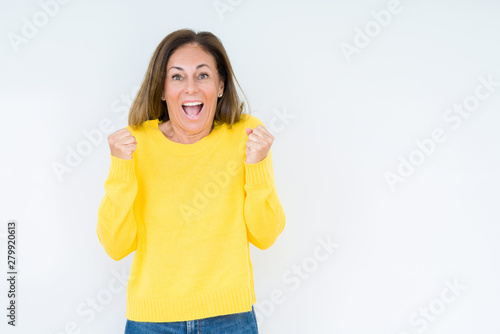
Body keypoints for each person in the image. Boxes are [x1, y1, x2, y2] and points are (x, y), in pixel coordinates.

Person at [96, 28, 286, 333]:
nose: (190, 88)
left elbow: (265, 235)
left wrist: (257, 165)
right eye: (177, 77)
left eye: (202, 75)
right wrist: (120, 168)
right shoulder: (135, 143)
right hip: (151, 322)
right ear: (161, 89)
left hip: (231, 319)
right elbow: (116, 245)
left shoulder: (246, 135)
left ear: (220, 85)